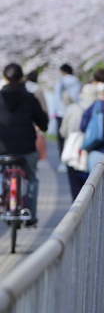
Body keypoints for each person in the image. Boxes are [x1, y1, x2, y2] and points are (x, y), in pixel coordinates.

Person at [0, 63, 49, 226]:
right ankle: (31, 216)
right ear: (22, 78)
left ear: (4, 78)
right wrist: (42, 126)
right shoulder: (29, 97)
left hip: (2, 149)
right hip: (26, 149)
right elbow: (43, 122)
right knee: (31, 179)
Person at [60, 82, 98, 199]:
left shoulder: (72, 109)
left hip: (73, 151)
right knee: (91, 188)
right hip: (92, 152)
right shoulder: (99, 109)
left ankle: (76, 213)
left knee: (75, 187)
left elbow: (63, 131)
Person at [52, 63, 81, 171]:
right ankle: (72, 159)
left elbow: (57, 98)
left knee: (61, 137)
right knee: (72, 136)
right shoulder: (76, 81)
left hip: (61, 113)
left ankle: (63, 161)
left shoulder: (61, 82)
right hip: (73, 111)